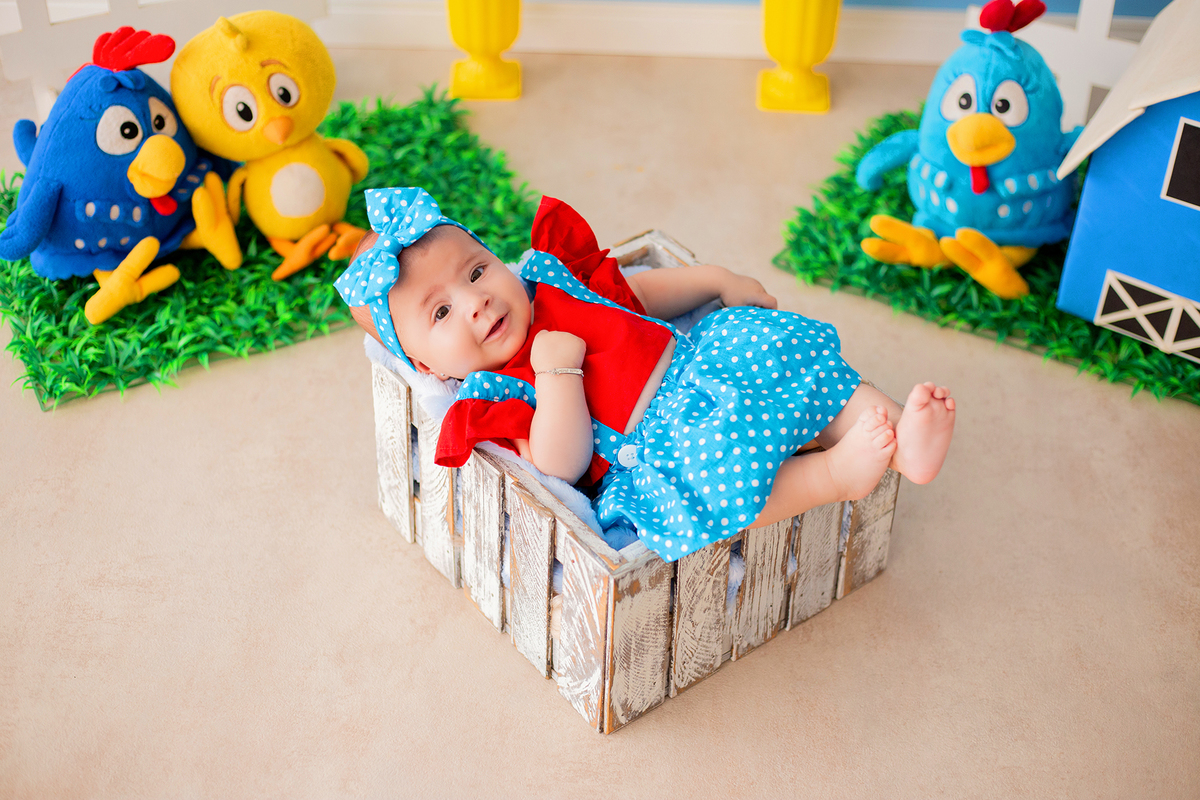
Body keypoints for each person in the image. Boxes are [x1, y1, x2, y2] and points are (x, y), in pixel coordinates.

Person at [337, 187, 955, 561]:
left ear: (495, 258)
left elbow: (633, 294)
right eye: (441, 312)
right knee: (720, 476)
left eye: (475, 272)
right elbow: (560, 465)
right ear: (426, 366)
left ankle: (905, 437)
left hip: (697, 360)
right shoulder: (493, 390)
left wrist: (714, 280)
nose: (476, 302)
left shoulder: (544, 279)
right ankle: (829, 475)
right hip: (660, 443)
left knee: (780, 347)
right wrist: (558, 378)